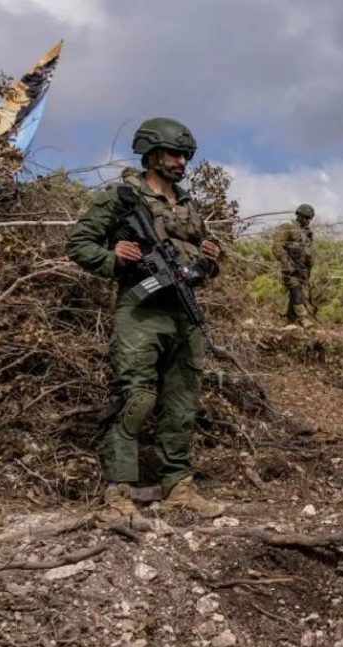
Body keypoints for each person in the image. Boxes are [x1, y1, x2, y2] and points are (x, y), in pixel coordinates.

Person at [65, 117, 225, 523]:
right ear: (151, 154)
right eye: (174, 154)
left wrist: (209, 260)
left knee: (183, 403)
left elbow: (200, 267)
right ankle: (118, 492)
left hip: (182, 312)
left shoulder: (188, 205)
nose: (181, 162)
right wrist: (113, 258)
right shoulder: (120, 197)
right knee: (136, 399)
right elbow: (79, 244)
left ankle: (178, 488)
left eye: (185, 156)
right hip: (141, 312)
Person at [273, 204, 317, 324]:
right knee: (296, 291)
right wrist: (286, 263)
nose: (308, 222)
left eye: (310, 219)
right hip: (291, 269)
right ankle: (303, 318)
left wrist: (310, 265)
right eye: (307, 218)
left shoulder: (307, 234)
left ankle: (290, 321)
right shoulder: (288, 227)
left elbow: (309, 253)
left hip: (303, 270)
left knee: (298, 295)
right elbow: (277, 246)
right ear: (301, 217)